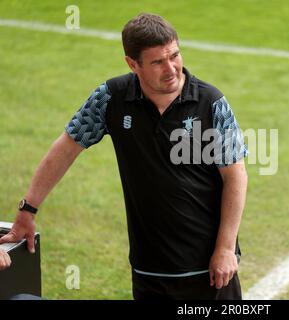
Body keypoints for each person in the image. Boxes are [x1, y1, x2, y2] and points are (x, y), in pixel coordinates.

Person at [0, 13, 248, 300]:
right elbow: (66, 148)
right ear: (133, 64)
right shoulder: (112, 98)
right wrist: (27, 210)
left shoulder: (211, 103)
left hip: (209, 268)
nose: (171, 69)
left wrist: (226, 249)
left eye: (175, 55)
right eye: (157, 62)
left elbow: (235, 176)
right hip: (148, 268)